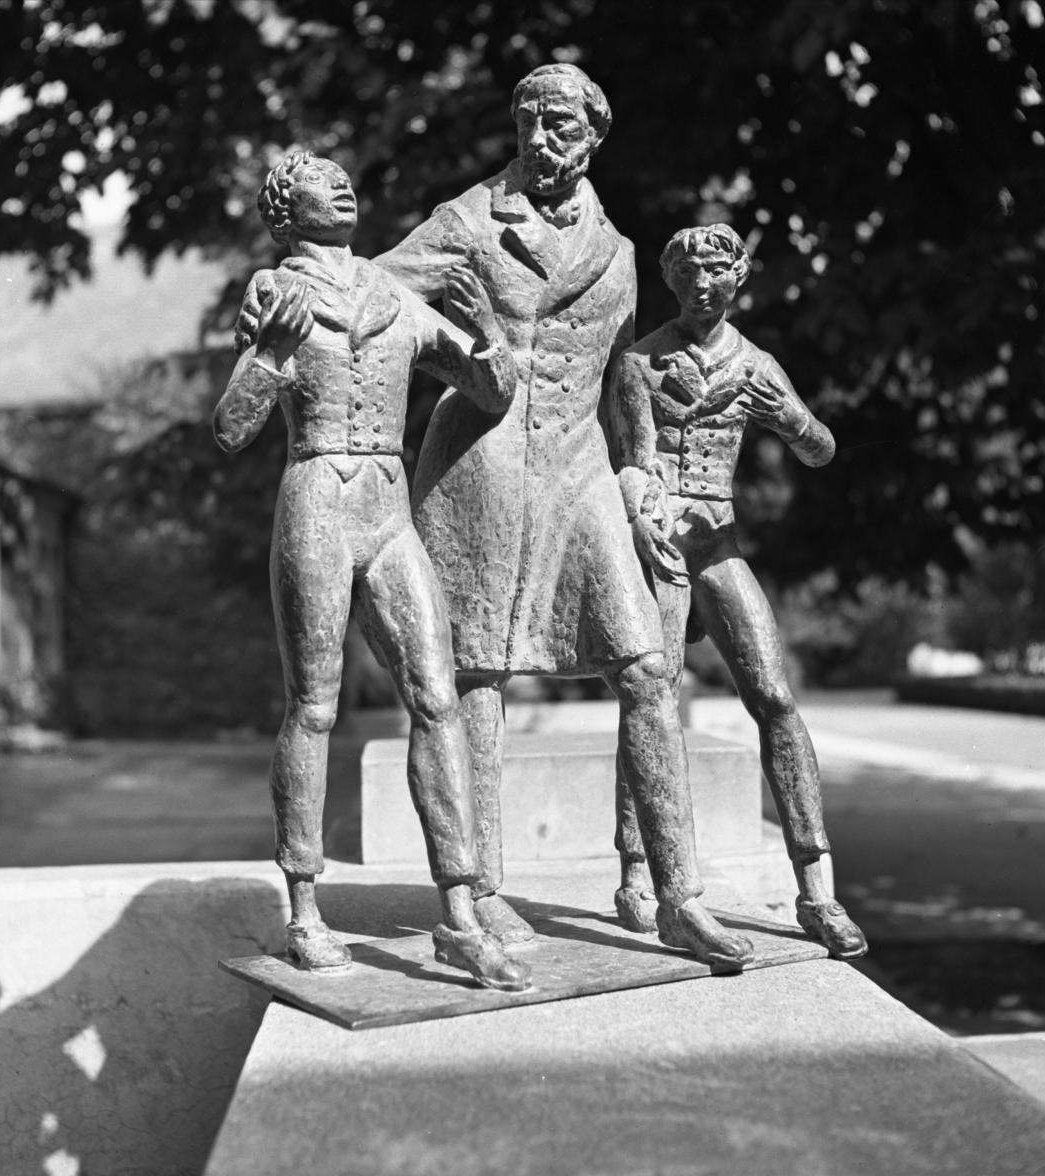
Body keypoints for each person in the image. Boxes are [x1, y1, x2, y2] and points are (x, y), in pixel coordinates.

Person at [375, 65, 754, 969]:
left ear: (593, 137)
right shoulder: (469, 220)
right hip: (480, 466)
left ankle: (679, 897)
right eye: (530, 122)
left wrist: (642, 476)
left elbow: (624, 381)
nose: (543, 139)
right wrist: (458, 344)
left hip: (580, 468)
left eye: (562, 125)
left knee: (647, 667)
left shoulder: (619, 250)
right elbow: (379, 296)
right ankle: (480, 890)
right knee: (477, 678)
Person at [214, 150, 531, 991]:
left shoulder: (397, 296)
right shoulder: (272, 294)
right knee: (314, 706)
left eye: (348, 175)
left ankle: (460, 909)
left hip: (389, 505)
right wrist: (270, 359)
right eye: (322, 179)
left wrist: (491, 333)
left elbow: (491, 391)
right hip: (318, 494)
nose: (345, 183)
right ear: (286, 210)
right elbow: (231, 427)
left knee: (436, 695)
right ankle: (305, 906)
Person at [612, 223, 867, 960]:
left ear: (737, 280)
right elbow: (631, 459)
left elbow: (819, 447)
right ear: (672, 283)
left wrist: (787, 416)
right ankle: (639, 871)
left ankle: (818, 889)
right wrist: (642, 508)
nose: (700, 291)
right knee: (650, 700)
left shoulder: (756, 363)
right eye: (687, 280)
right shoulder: (640, 363)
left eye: (714, 279)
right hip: (661, 550)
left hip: (720, 549)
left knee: (776, 699)